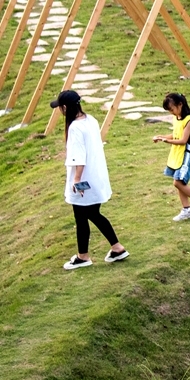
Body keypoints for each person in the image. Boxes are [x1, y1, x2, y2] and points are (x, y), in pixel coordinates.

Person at [53, 90, 126, 269]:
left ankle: (84, 256)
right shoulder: (90, 120)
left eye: (60, 108)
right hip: (96, 175)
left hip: (84, 179)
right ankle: (116, 248)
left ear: (65, 107)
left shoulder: (75, 127)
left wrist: (76, 180)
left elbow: (79, 156)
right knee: (91, 214)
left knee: (84, 216)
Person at [153, 92, 190, 221]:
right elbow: (175, 134)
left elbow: (183, 140)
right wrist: (161, 137)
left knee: (178, 182)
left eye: (172, 109)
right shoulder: (176, 118)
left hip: (186, 153)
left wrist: (166, 141)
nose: (171, 113)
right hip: (177, 154)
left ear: (180, 104)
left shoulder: (189, 120)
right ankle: (186, 209)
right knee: (179, 182)